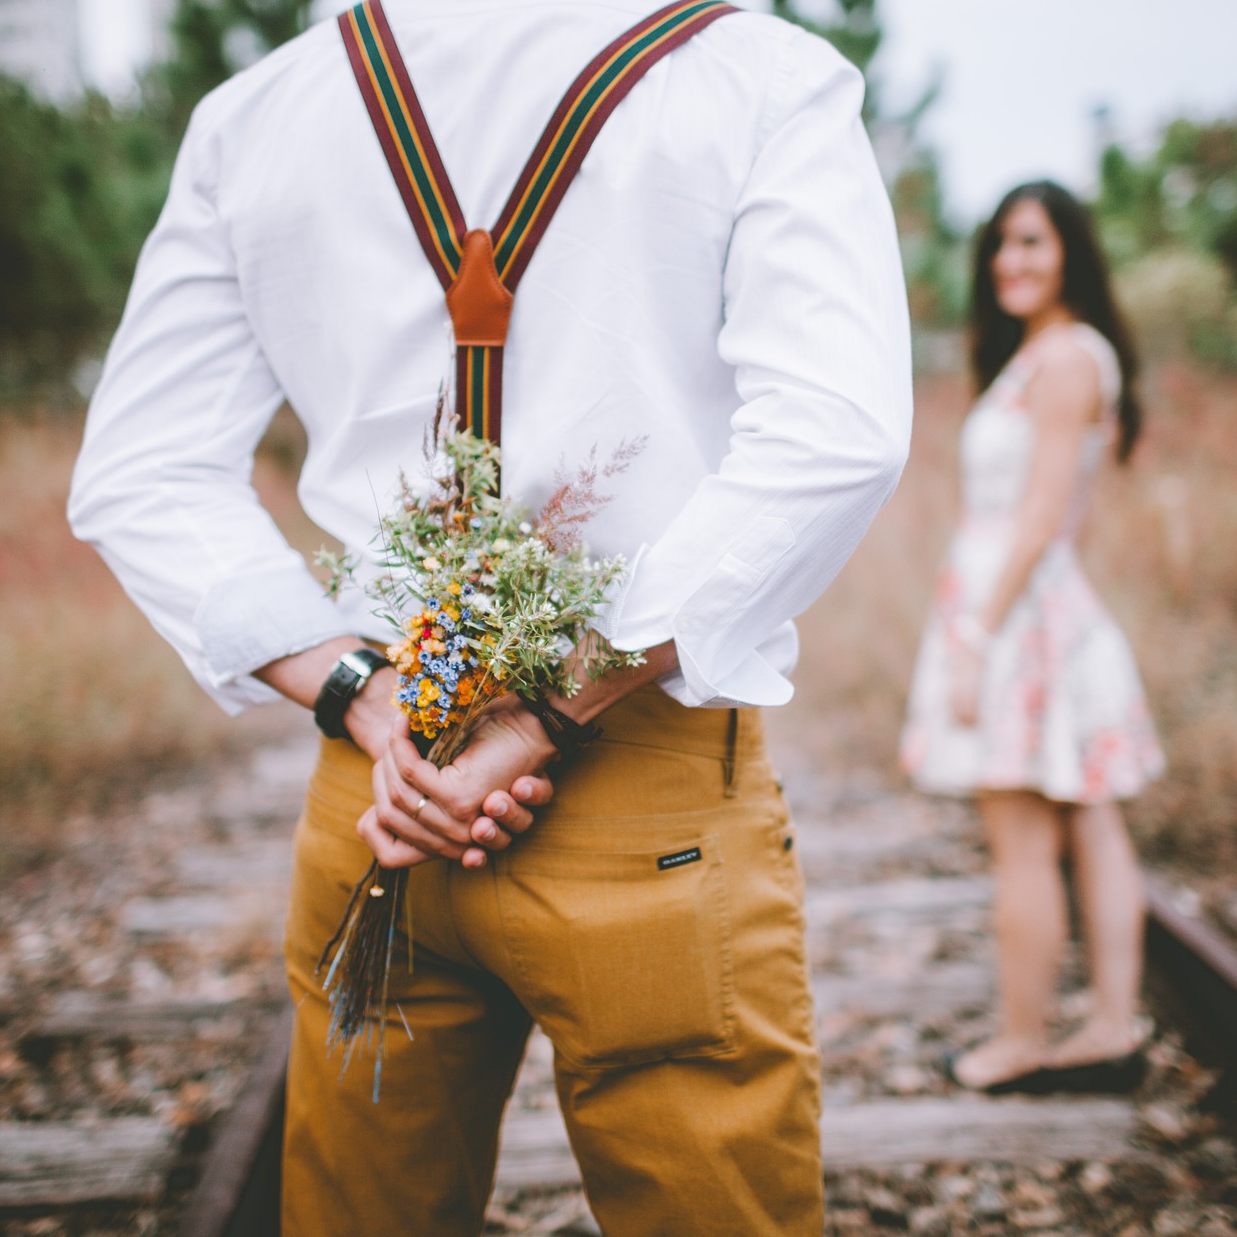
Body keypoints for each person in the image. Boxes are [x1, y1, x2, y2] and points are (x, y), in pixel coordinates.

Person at [69, 0, 911, 1231]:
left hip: (382, 795)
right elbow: (835, 434)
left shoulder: (258, 115)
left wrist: (365, 690)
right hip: (643, 794)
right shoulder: (759, 77)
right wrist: (547, 707)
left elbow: (141, 467)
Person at [900, 180, 1165, 1094]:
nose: (1009, 262)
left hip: (1015, 618)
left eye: (1030, 242)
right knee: (1089, 820)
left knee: (1022, 836)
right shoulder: (1051, 355)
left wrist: (976, 633)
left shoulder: (1062, 361)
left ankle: (1022, 1041)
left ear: (1069, 253)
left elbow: (1045, 511)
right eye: (1000, 246)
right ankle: (1105, 1026)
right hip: (1035, 606)